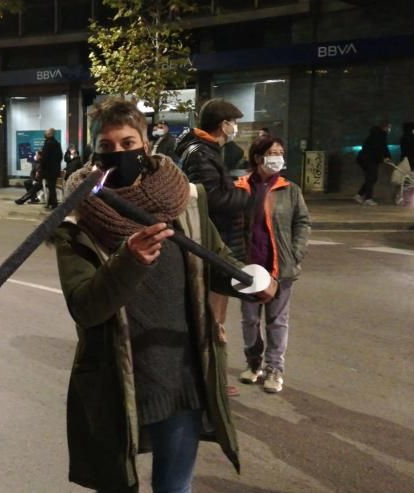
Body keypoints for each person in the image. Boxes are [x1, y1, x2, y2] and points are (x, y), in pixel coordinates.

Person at [54, 97, 277, 493]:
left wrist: (250, 283)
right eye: (106, 147)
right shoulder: (78, 218)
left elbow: (214, 260)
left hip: (182, 377)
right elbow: (85, 307)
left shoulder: (183, 199)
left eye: (128, 143)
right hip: (117, 379)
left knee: (174, 488)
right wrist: (130, 260)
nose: (119, 153)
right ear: (93, 153)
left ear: (146, 143)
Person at [175, 99, 253, 396]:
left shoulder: (205, 150)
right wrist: (247, 196)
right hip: (213, 243)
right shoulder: (200, 153)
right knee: (211, 318)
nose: (235, 128)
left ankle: (211, 378)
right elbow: (210, 200)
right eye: (234, 122)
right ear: (224, 124)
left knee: (214, 317)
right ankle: (209, 382)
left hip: (218, 240)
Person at [234, 137, 311, 394]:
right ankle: (253, 364)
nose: (277, 157)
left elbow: (302, 222)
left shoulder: (290, 189)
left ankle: (274, 369)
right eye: (272, 153)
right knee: (249, 320)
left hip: (280, 266)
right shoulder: (240, 187)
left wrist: (296, 253)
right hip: (248, 267)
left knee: (277, 321)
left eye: (280, 152)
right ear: (258, 158)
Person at [354, 123, 392, 206]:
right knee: (371, 177)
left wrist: (387, 157)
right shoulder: (379, 136)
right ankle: (368, 198)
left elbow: (383, 147)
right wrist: (383, 158)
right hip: (368, 159)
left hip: (367, 159)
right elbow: (378, 148)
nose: (390, 129)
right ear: (384, 127)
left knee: (372, 178)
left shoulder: (379, 135)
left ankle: (359, 195)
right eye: (389, 127)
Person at [40, 127, 63, 209]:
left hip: (48, 170)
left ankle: (54, 203)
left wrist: (41, 168)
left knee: (51, 187)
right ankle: (50, 202)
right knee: (51, 186)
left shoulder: (48, 143)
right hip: (55, 169)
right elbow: (60, 156)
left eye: (46, 132)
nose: (44, 133)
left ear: (50, 134)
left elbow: (44, 158)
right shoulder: (57, 143)